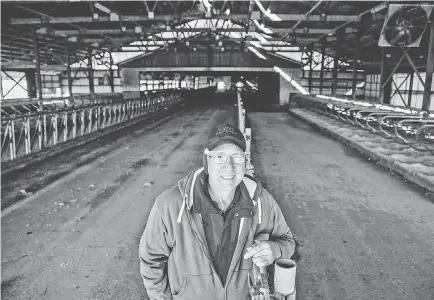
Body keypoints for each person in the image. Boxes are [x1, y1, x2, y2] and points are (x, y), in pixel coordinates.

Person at [139, 124, 295, 300]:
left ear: (245, 160)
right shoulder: (170, 205)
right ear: (207, 159)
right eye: (220, 157)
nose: (229, 167)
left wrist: (276, 249)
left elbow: (288, 242)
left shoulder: (261, 201)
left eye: (236, 157)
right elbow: (151, 260)